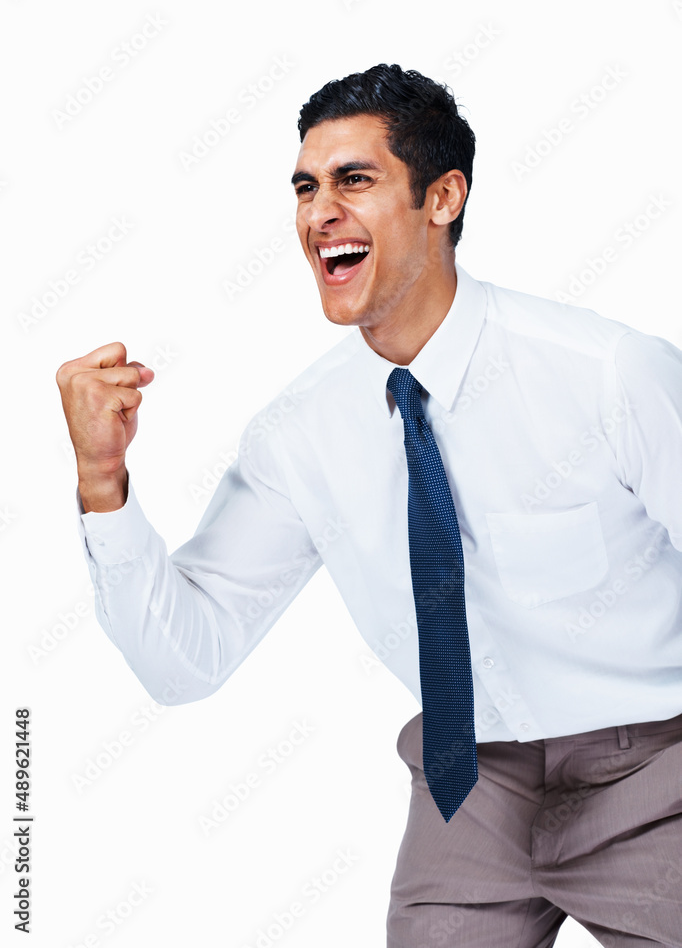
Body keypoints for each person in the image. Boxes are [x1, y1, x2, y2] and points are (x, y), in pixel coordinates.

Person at [56, 63, 682, 947]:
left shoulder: (609, 375)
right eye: (307, 188)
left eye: (355, 180)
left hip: (657, 769)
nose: (320, 214)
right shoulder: (300, 434)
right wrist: (101, 482)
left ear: (443, 197)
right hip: (470, 785)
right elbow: (181, 663)